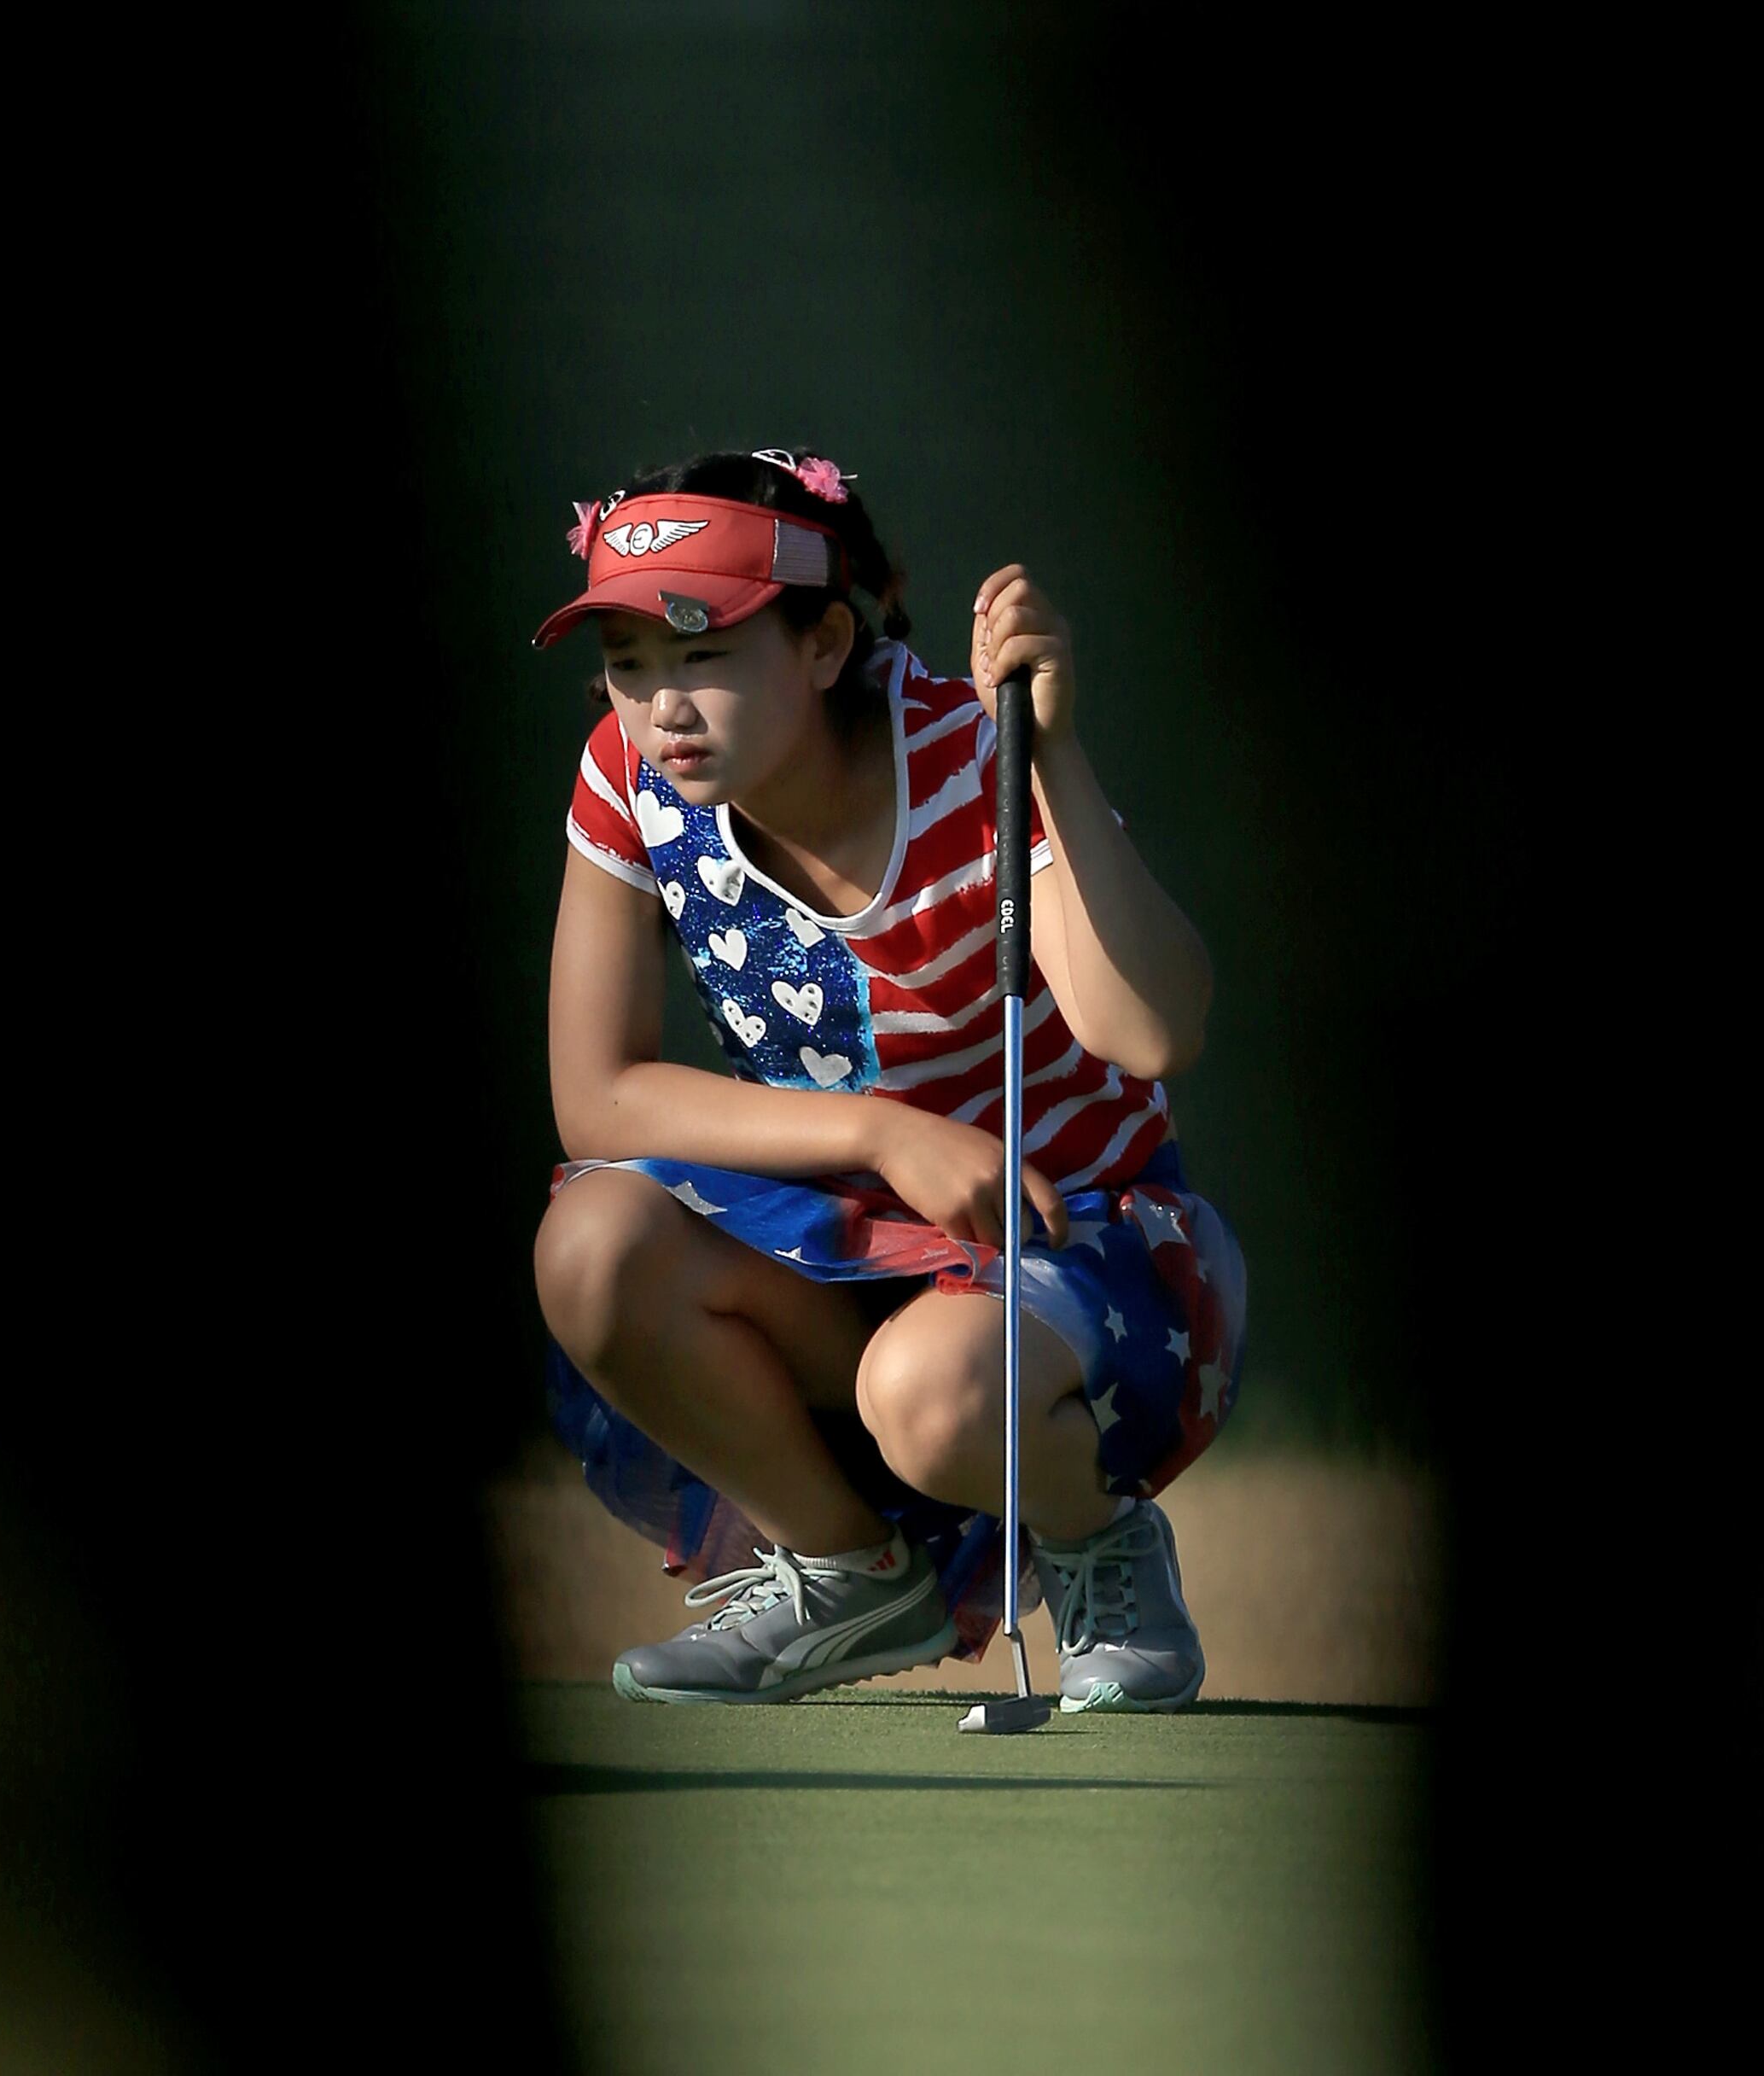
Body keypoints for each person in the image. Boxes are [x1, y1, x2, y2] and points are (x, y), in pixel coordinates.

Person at [529, 446, 1245, 1712]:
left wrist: (1050, 758)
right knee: (591, 1244)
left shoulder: (973, 753)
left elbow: (1153, 1034)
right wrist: (884, 1133)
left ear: (822, 644)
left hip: (1088, 1252)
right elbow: (598, 1097)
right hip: (863, 1247)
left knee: (926, 1396)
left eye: (703, 657)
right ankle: (854, 1575)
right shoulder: (630, 781)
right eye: (629, 667)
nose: (662, 711)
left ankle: (1097, 1544)